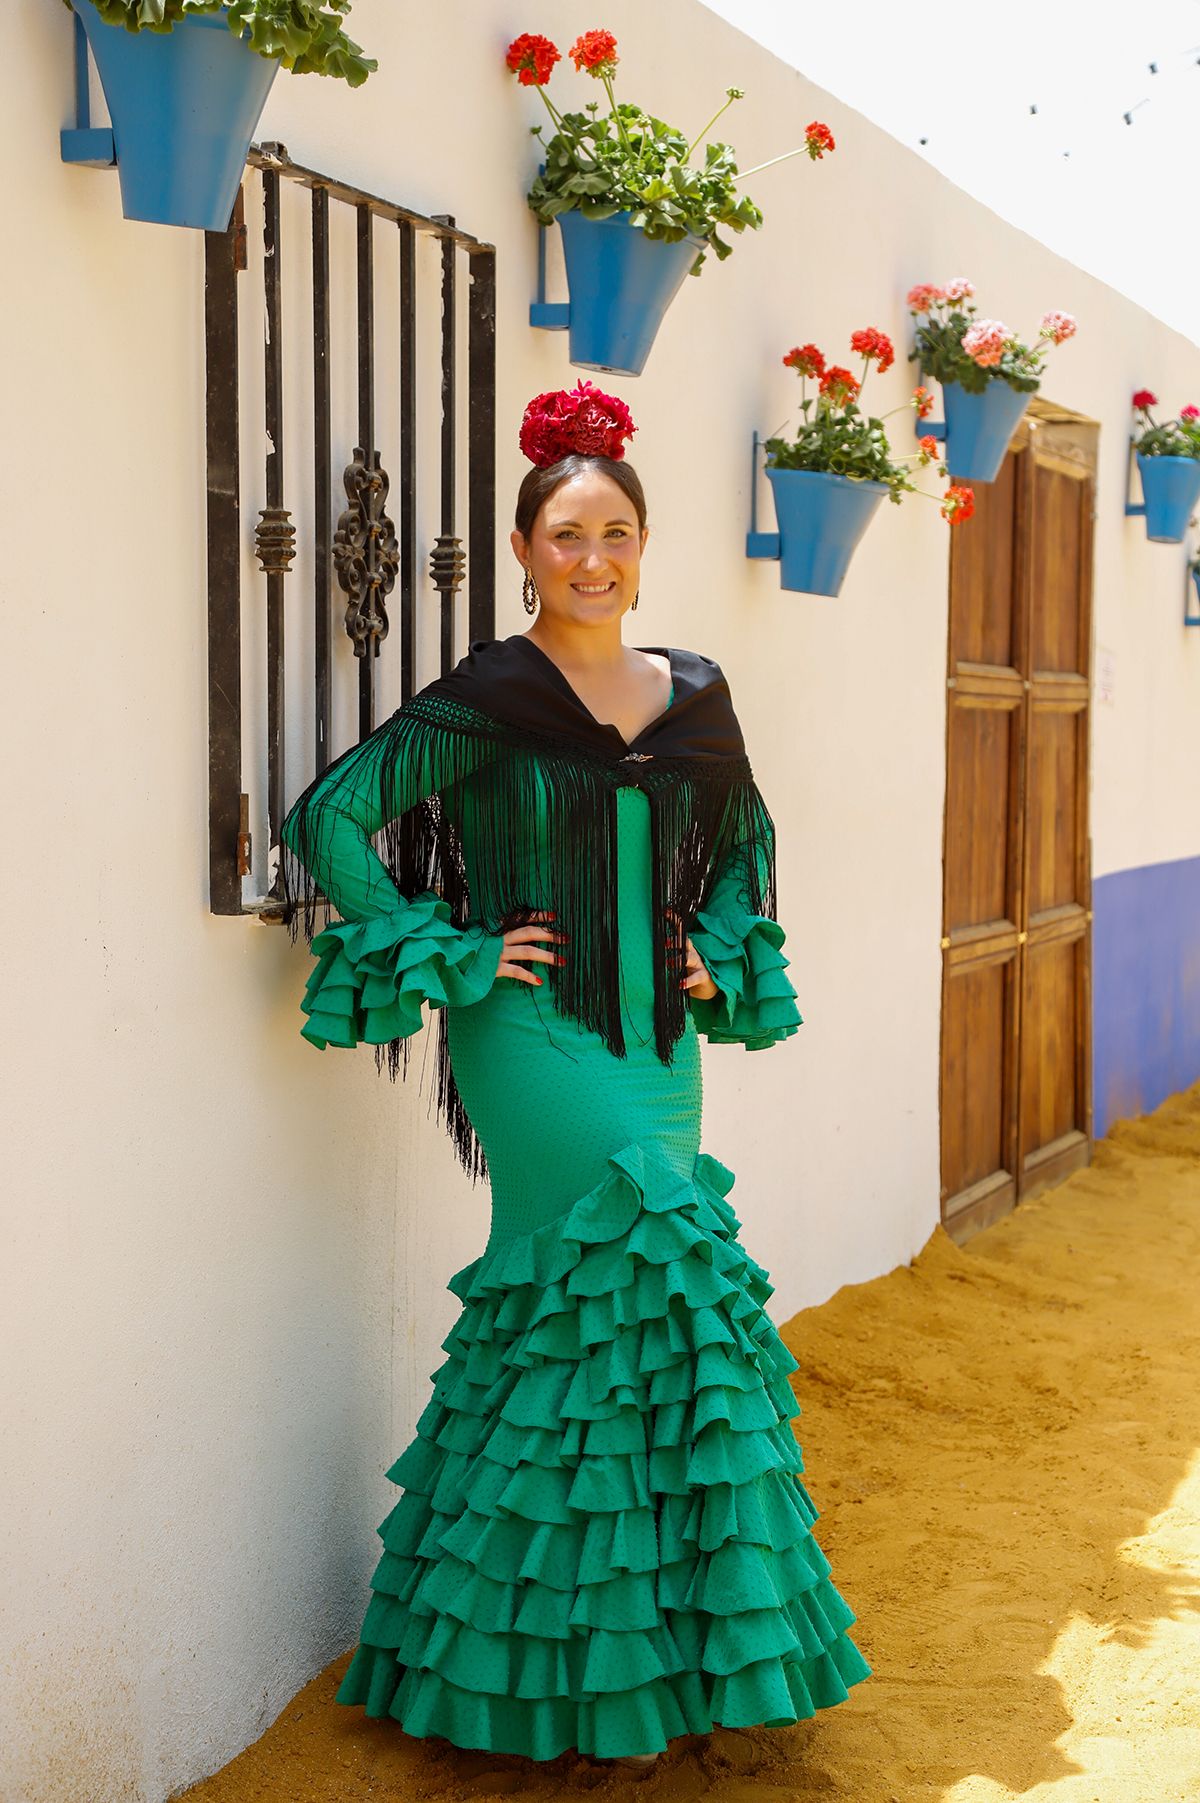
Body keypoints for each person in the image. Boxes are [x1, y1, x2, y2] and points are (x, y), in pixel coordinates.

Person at [279, 380, 871, 1766]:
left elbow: (746, 852)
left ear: (643, 545)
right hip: (533, 1037)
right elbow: (331, 820)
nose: (590, 559)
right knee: (623, 1269)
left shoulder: (699, 693)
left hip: (658, 1046)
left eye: (613, 533)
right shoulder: (491, 692)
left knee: (634, 1316)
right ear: (526, 552)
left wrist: (719, 956)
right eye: (564, 537)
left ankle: (610, 1657)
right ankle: (570, 1672)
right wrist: (459, 948)